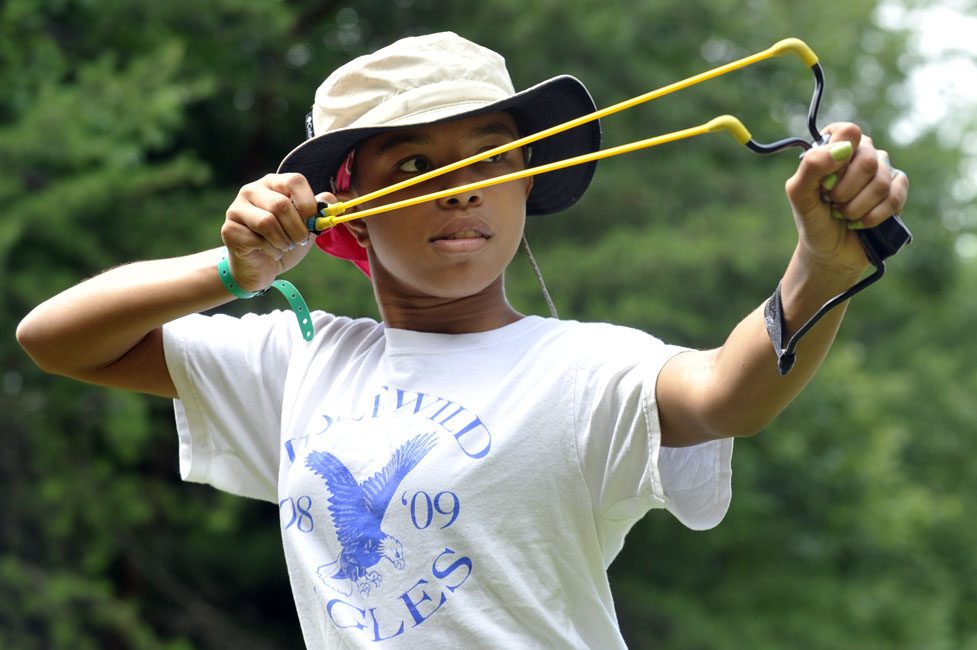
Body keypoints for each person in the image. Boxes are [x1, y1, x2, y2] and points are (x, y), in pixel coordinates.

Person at [16, 31, 909, 649]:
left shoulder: (584, 366)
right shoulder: (300, 361)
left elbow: (728, 395)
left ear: (527, 180)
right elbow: (54, 338)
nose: (460, 190)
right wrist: (229, 271)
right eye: (414, 167)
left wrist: (819, 273)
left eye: (489, 158)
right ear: (348, 220)